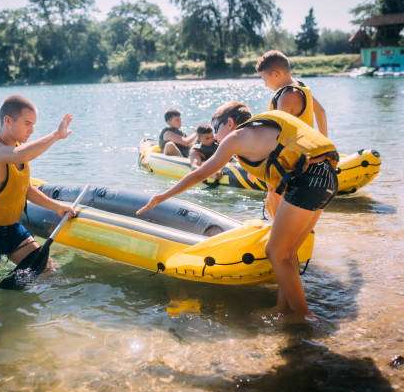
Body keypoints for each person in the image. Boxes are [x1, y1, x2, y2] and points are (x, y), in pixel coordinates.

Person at [137, 101, 339, 322]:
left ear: (230, 123)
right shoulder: (264, 135)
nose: (215, 137)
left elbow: (199, 174)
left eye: (216, 129)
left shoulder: (235, 138)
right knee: (287, 253)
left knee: (275, 251)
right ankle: (284, 306)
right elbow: (276, 187)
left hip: (309, 180)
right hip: (327, 177)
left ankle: (303, 316)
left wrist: (162, 196)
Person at [0, 95, 75, 274]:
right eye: (27, 123)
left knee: (48, 269)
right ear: (8, 120)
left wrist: (58, 207)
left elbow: (26, 189)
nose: (31, 130)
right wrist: (56, 135)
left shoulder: (16, 148)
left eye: (33, 125)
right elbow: (20, 155)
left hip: (11, 229)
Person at [256, 50, 329, 218]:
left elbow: (279, 134)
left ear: (276, 74)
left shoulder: (287, 96)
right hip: (304, 154)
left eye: (265, 79)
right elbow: (321, 112)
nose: (265, 84)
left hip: (291, 160)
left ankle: (280, 239)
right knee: (270, 201)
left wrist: (260, 166)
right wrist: (323, 144)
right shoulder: (301, 87)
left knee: (275, 196)